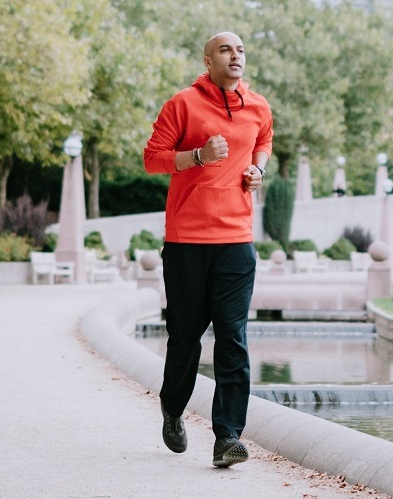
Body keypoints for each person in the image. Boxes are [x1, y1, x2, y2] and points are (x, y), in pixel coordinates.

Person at [141, 31, 271, 468]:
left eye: (240, 50)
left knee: (233, 338)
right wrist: (197, 156)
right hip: (187, 242)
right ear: (208, 59)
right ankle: (173, 409)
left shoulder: (258, 106)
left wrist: (258, 168)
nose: (235, 56)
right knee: (185, 339)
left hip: (236, 240)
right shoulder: (182, 103)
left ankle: (227, 436)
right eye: (225, 50)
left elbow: (264, 141)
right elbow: (152, 158)